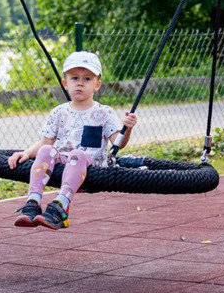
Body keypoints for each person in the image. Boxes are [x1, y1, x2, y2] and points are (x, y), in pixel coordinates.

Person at [7, 51, 138, 230]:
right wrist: (26, 153)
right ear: (65, 83)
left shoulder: (104, 113)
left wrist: (127, 129)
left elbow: (118, 143)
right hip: (65, 161)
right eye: (75, 78)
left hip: (92, 166)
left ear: (97, 85)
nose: (80, 83)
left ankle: (61, 205)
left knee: (77, 155)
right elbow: (45, 142)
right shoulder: (59, 112)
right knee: (46, 151)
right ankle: (33, 202)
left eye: (87, 79)